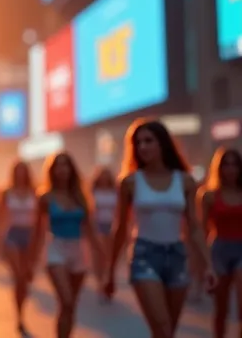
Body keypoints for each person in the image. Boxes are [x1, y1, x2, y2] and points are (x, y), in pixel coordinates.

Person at [105, 119, 216, 338]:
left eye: (148, 141)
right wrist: (110, 273)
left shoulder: (184, 180)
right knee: (163, 327)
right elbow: (120, 227)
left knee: (166, 332)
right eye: (138, 143)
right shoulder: (130, 182)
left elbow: (193, 227)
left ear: (162, 143)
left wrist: (209, 265)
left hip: (176, 255)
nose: (143, 147)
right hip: (144, 255)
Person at [28, 152, 103, 338]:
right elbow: (38, 232)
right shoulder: (45, 197)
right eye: (58, 166)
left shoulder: (80, 197)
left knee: (69, 306)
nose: (62, 170)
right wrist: (31, 261)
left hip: (78, 250)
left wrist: (104, 259)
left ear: (72, 170)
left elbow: (91, 230)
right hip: (56, 250)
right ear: (52, 171)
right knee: (67, 300)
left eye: (66, 165)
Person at [200, 147, 242, 338]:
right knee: (221, 307)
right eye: (226, 164)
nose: (231, 169)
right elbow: (201, 230)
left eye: (235, 164)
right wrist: (203, 264)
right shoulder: (209, 195)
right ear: (219, 167)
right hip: (219, 249)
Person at [0, 161, 37, 336]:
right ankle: (19, 318)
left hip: (29, 235)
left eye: (23, 171)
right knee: (18, 276)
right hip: (12, 235)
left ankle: (22, 310)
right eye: (17, 171)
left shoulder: (34, 192)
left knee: (25, 279)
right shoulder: (7, 193)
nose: (20, 175)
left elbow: (40, 219)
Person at [90, 166, 117, 296]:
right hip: (98, 224)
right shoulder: (94, 192)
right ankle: (99, 280)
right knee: (98, 254)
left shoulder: (114, 192)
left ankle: (108, 277)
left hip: (111, 224)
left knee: (109, 254)